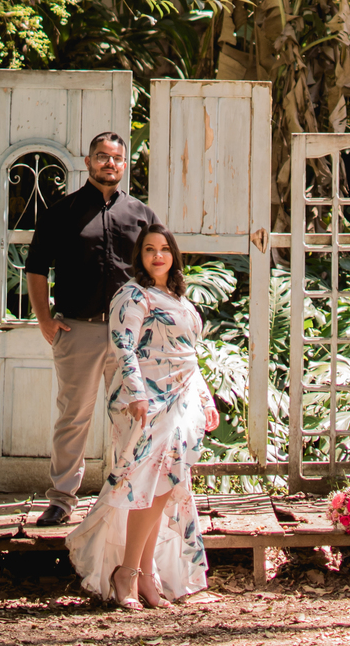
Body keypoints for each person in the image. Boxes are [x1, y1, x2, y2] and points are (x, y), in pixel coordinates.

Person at [65, 225, 219, 608]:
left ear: (174, 255)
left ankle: (144, 576)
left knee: (164, 483)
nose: (158, 256)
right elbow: (123, 346)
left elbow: (190, 355)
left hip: (183, 399)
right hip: (148, 398)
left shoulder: (179, 298)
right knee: (148, 480)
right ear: (140, 257)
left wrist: (206, 398)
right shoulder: (133, 295)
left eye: (165, 249)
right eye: (149, 249)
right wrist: (137, 394)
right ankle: (127, 573)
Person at [25, 130, 162, 526]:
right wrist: (44, 319)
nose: (110, 164)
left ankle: (127, 496)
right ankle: (63, 499)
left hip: (130, 337)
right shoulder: (62, 213)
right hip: (77, 329)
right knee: (73, 416)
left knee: (132, 414)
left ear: (124, 164)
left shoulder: (141, 215)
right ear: (87, 162)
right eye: (102, 156)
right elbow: (36, 268)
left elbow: (159, 265)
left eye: (117, 158)